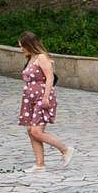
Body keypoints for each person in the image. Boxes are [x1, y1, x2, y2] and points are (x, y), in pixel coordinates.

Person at [17, 32, 71, 170]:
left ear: (29, 44)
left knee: (36, 130)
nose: (21, 49)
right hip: (30, 98)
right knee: (30, 129)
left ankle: (64, 149)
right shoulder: (31, 58)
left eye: (22, 46)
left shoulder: (41, 57)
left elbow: (50, 77)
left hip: (41, 96)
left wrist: (46, 97)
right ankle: (40, 164)